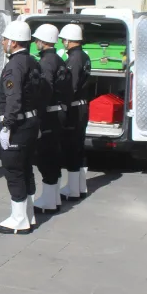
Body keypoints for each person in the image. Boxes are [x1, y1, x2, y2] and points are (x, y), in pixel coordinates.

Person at [0, 21, 41, 234]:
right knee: (25, 168)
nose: (3, 42)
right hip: (31, 121)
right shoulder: (33, 62)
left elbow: (13, 98)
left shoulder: (14, 65)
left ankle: (19, 218)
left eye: (5, 39)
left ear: (13, 42)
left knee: (13, 168)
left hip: (19, 123)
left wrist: (7, 126)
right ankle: (28, 215)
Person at [31, 24, 69, 214]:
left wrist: (37, 114)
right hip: (59, 112)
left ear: (43, 41)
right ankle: (53, 198)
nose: (35, 43)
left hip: (48, 114)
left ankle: (48, 199)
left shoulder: (46, 62)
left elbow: (44, 90)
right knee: (54, 155)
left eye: (37, 39)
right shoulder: (60, 60)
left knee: (45, 156)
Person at [58, 24, 91, 201]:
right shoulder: (83, 56)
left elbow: (70, 86)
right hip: (82, 106)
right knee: (78, 147)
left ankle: (72, 189)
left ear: (70, 40)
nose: (63, 42)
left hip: (74, 108)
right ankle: (79, 187)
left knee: (71, 147)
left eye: (64, 39)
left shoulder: (74, 59)